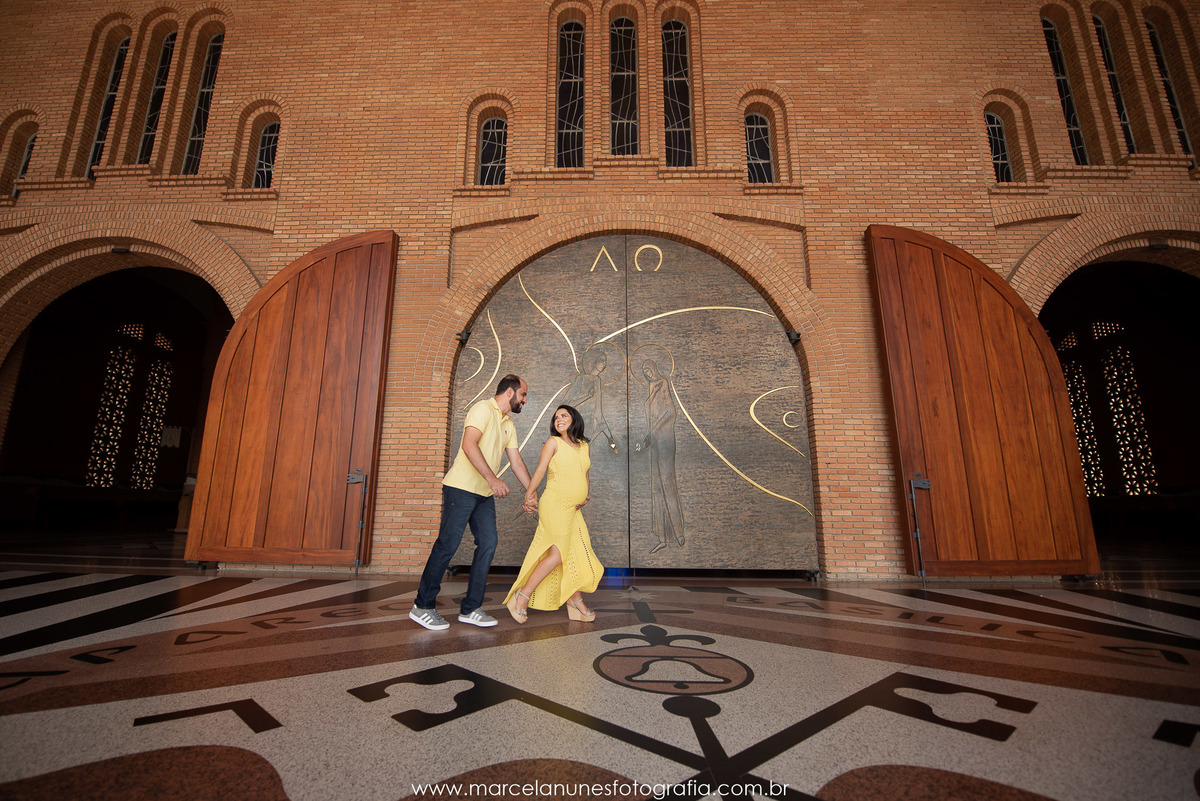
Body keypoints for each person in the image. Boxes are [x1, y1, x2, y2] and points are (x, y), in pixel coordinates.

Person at [410, 374, 533, 630]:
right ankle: (422, 606)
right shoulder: (482, 409)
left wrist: (531, 492)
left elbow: (516, 460)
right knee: (448, 545)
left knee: (488, 543)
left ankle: (471, 608)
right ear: (510, 392)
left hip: (483, 495)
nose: (524, 400)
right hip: (461, 488)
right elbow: (469, 444)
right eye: (523, 395)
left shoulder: (508, 423)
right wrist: (492, 479)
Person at [503, 404, 603, 623]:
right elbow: (540, 470)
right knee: (558, 554)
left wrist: (585, 494)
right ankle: (521, 597)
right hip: (555, 505)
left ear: (574, 419)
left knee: (574, 553)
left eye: (564, 415)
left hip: (573, 509)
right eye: (556, 417)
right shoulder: (553, 443)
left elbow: (584, 471)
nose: (559, 419)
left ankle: (575, 603)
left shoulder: (584, 445)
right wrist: (529, 495)